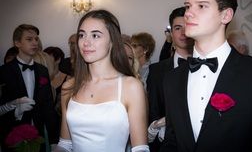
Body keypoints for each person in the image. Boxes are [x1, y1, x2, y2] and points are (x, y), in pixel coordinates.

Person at [160, 0, 252, 152]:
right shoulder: (172, 79)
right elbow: (171, 142)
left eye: (201, 6)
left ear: (226, 15)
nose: (188, 13)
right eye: (188, 6)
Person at [53, 9, 149, 152]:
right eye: (82, 35)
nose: (86, 42)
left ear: (112, 41)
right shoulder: (69, 86)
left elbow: (140, 148)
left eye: (95, 35)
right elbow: (65, 144)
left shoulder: (130, 86)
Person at [0, 24, 59, 152]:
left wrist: (54, 141)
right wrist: (15, 112)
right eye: (29, 39)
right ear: (17, 43)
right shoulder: (4, 72)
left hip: (39, 137)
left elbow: (48, 107)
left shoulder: (43, 70)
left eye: (36, 39)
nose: (34, 43)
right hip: (12, 138)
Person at [146, 6, 194, 151]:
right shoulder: (156, 71)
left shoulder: (209, 65)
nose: (183, 32)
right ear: (171, 33)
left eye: (187, 27)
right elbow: (153, 113)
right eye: (178, 28)